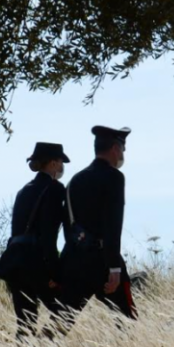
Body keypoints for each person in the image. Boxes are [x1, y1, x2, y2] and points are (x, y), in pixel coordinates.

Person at [57, 126, 137, 329]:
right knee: (127, 321)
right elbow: (113, 223)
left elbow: (67, 225)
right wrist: (114, 267)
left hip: (75, 260)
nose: (123, 154)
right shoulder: (114, 177)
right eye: (122, 149)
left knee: (60, 322)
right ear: (114, 149)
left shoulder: (75, 180)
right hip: (103, 260)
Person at [7, 142, 69, 341]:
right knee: (65, 309)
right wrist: (55, 272)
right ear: (52, 163)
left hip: (15, 260)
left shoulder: (23, 190)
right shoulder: (55, 189)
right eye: (60, 162)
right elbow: (48, 236)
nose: (62, 167)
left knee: (25, 323)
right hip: (37, 262)